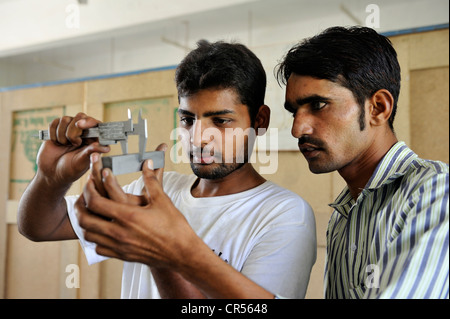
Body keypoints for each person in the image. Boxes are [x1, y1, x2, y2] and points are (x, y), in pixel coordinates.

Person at [18, 40, 316, 299]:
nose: (198, 138)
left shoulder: (285, 215)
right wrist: (51, 178)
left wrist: (160, 252)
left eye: (221, 121)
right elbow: (40, 226)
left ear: (259, 120)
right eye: (188, 120)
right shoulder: (150, 193)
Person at [276, 26, 449, 298]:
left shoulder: (435, 192)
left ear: (377, 108)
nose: (298, 129)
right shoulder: (343, 217)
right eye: (294, 111)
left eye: (318, 105)